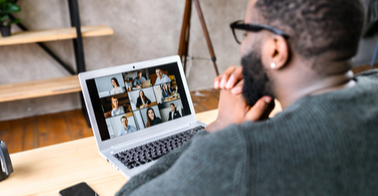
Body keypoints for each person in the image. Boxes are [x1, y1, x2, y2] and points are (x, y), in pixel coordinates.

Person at [117, 0, 378, 195]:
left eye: (246, 33)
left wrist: (219, 129)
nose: (243, 45)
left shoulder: (242, 153)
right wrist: (269, 75)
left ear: (276, 50)